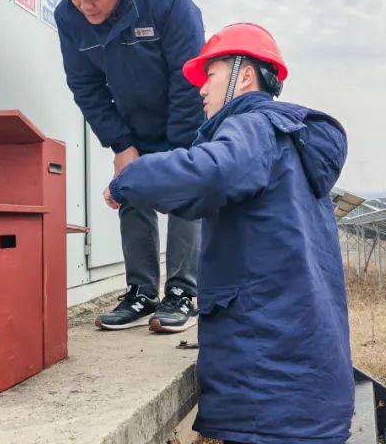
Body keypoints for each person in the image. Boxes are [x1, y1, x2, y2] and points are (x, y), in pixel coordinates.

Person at [104, 23, 354, 444]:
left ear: (244, 76)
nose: (201, 89)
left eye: (210, 76)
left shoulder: (252, 126)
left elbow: (209, 174)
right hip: (304, 382)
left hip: (270, 392)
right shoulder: (290, 145)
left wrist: (128, 179)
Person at [54, 0, 204, 333]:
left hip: (184, 117)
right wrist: (121, 144)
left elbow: (189, 80)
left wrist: (180, 150)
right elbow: (85, 87)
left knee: (185, 194)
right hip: (133, 124)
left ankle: (182, 293)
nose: (85, 5)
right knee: (133, 190)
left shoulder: (168, 2)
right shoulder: (68, 18)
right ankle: (141, 293)